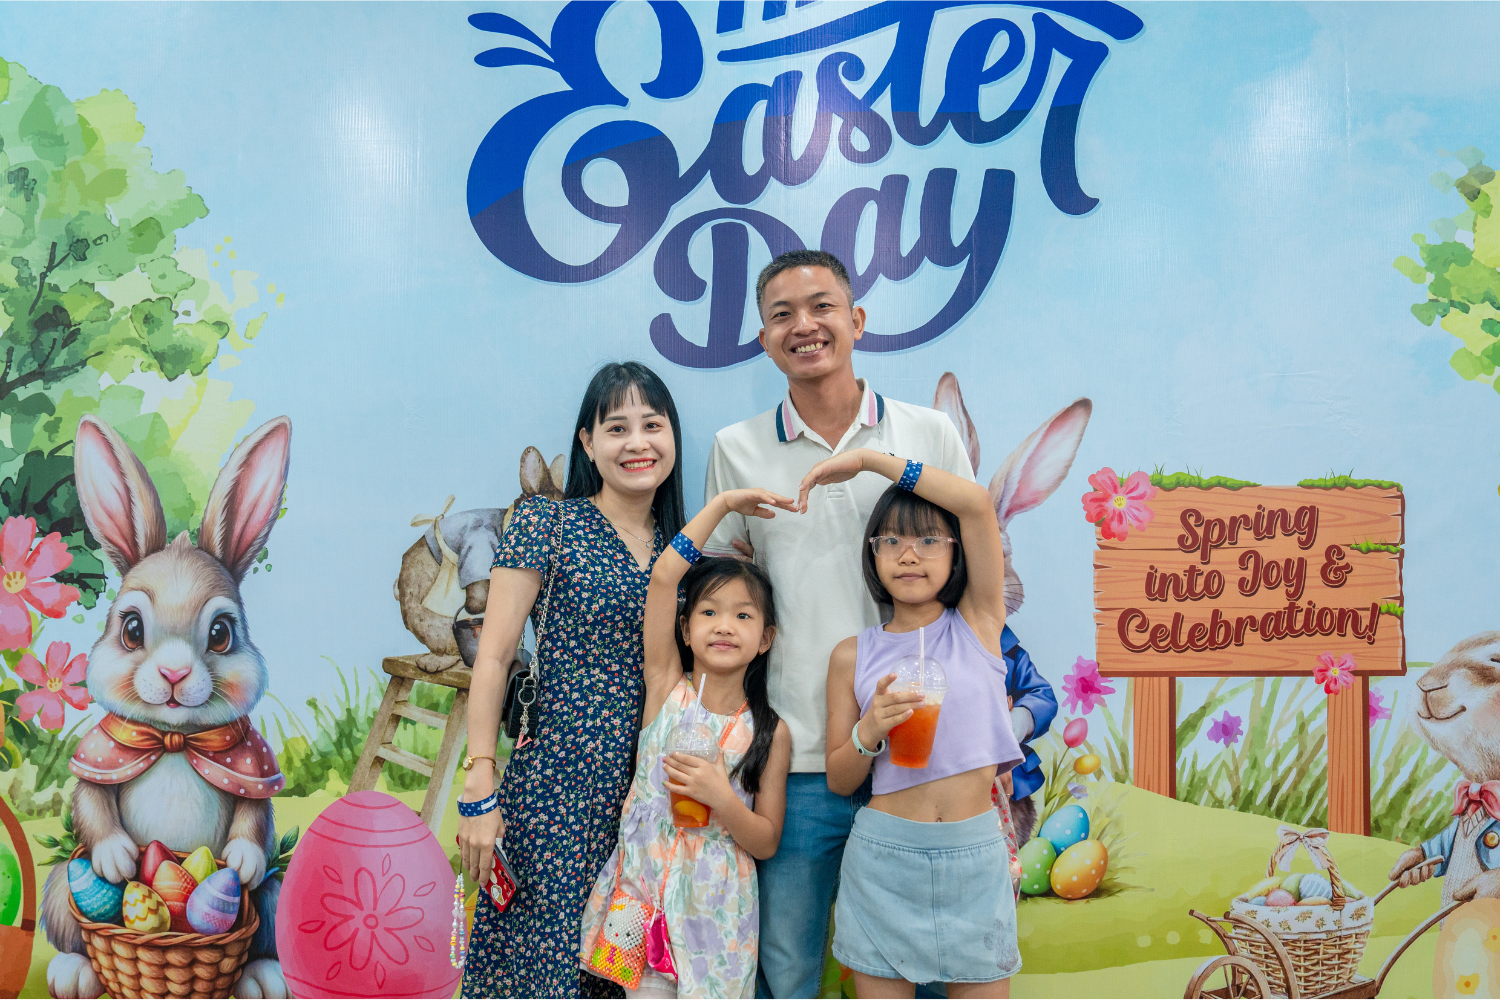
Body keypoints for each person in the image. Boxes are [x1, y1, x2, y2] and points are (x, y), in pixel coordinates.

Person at [702, 249, 975, 998]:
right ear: (764, 339)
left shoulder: (927, 434)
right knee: (787, 966)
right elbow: (723, 599)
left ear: (855, 320)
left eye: (822, 306)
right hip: (794, 758)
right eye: (782, 314)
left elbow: (974, 564)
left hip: (918, 753)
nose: (805, 325)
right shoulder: (736, 449)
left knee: (922, 966)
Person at [458, 362, 687, 998]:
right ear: (587, 442)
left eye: (652, 425)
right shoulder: (546, 522)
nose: (637, 443)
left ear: (673, 436)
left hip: (645, 800)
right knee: (541, 972)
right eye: (617, 428)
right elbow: (494, 657)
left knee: (619, 976)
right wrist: (480, 780)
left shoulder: (682, 546)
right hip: (555, 792)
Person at [818, 449, 1023, 998]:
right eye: (891, 541)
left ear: (956, 552)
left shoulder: (979, 622)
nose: (909, 555)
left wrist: (870, 461)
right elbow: (840, 779)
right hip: (883, 860)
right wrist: (868, 731)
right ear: (873, 554)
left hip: (975, 856)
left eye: (929, 540)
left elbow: (976, 504)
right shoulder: (851, 656)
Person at [580, 489, 796, 999]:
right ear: (685, 628)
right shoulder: (665, 690)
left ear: (766, 639)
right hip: (638, 894)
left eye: (743, 616)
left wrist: (721, 796)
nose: (724, 626)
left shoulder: (770, 731)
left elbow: (766, 841)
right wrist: (723, 505)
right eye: (709, 612)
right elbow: (663, 578)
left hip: (716, 914)